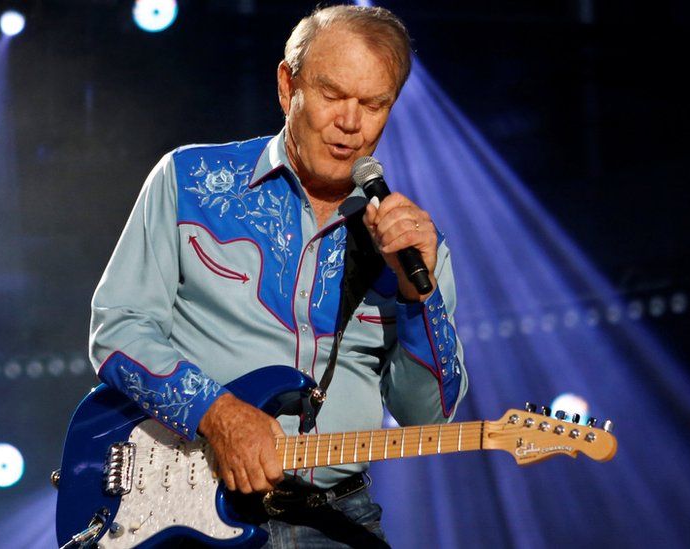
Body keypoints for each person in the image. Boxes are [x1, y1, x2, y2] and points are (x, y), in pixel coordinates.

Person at [88, 5, 467, 547]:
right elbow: (119, 331)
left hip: (336, 518)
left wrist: (416, 297)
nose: (351, 123)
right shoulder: (190, 180)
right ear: (289, 86)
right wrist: (216, 413)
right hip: (176, 505)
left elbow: (428, 419)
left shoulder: (409, 244)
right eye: (334, 95)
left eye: (374, 104)